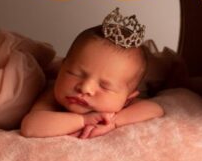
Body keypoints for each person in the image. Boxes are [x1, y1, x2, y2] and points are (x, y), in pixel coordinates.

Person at [20, 8, 164, 139]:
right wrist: (83, 120)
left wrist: (114, 122)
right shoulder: (53, 96)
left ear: (127, 99)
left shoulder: (122, 104)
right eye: (75, 73)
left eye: (105, 86)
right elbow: (31, 127)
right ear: (61, 69)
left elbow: (155, 109)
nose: (85, 88)